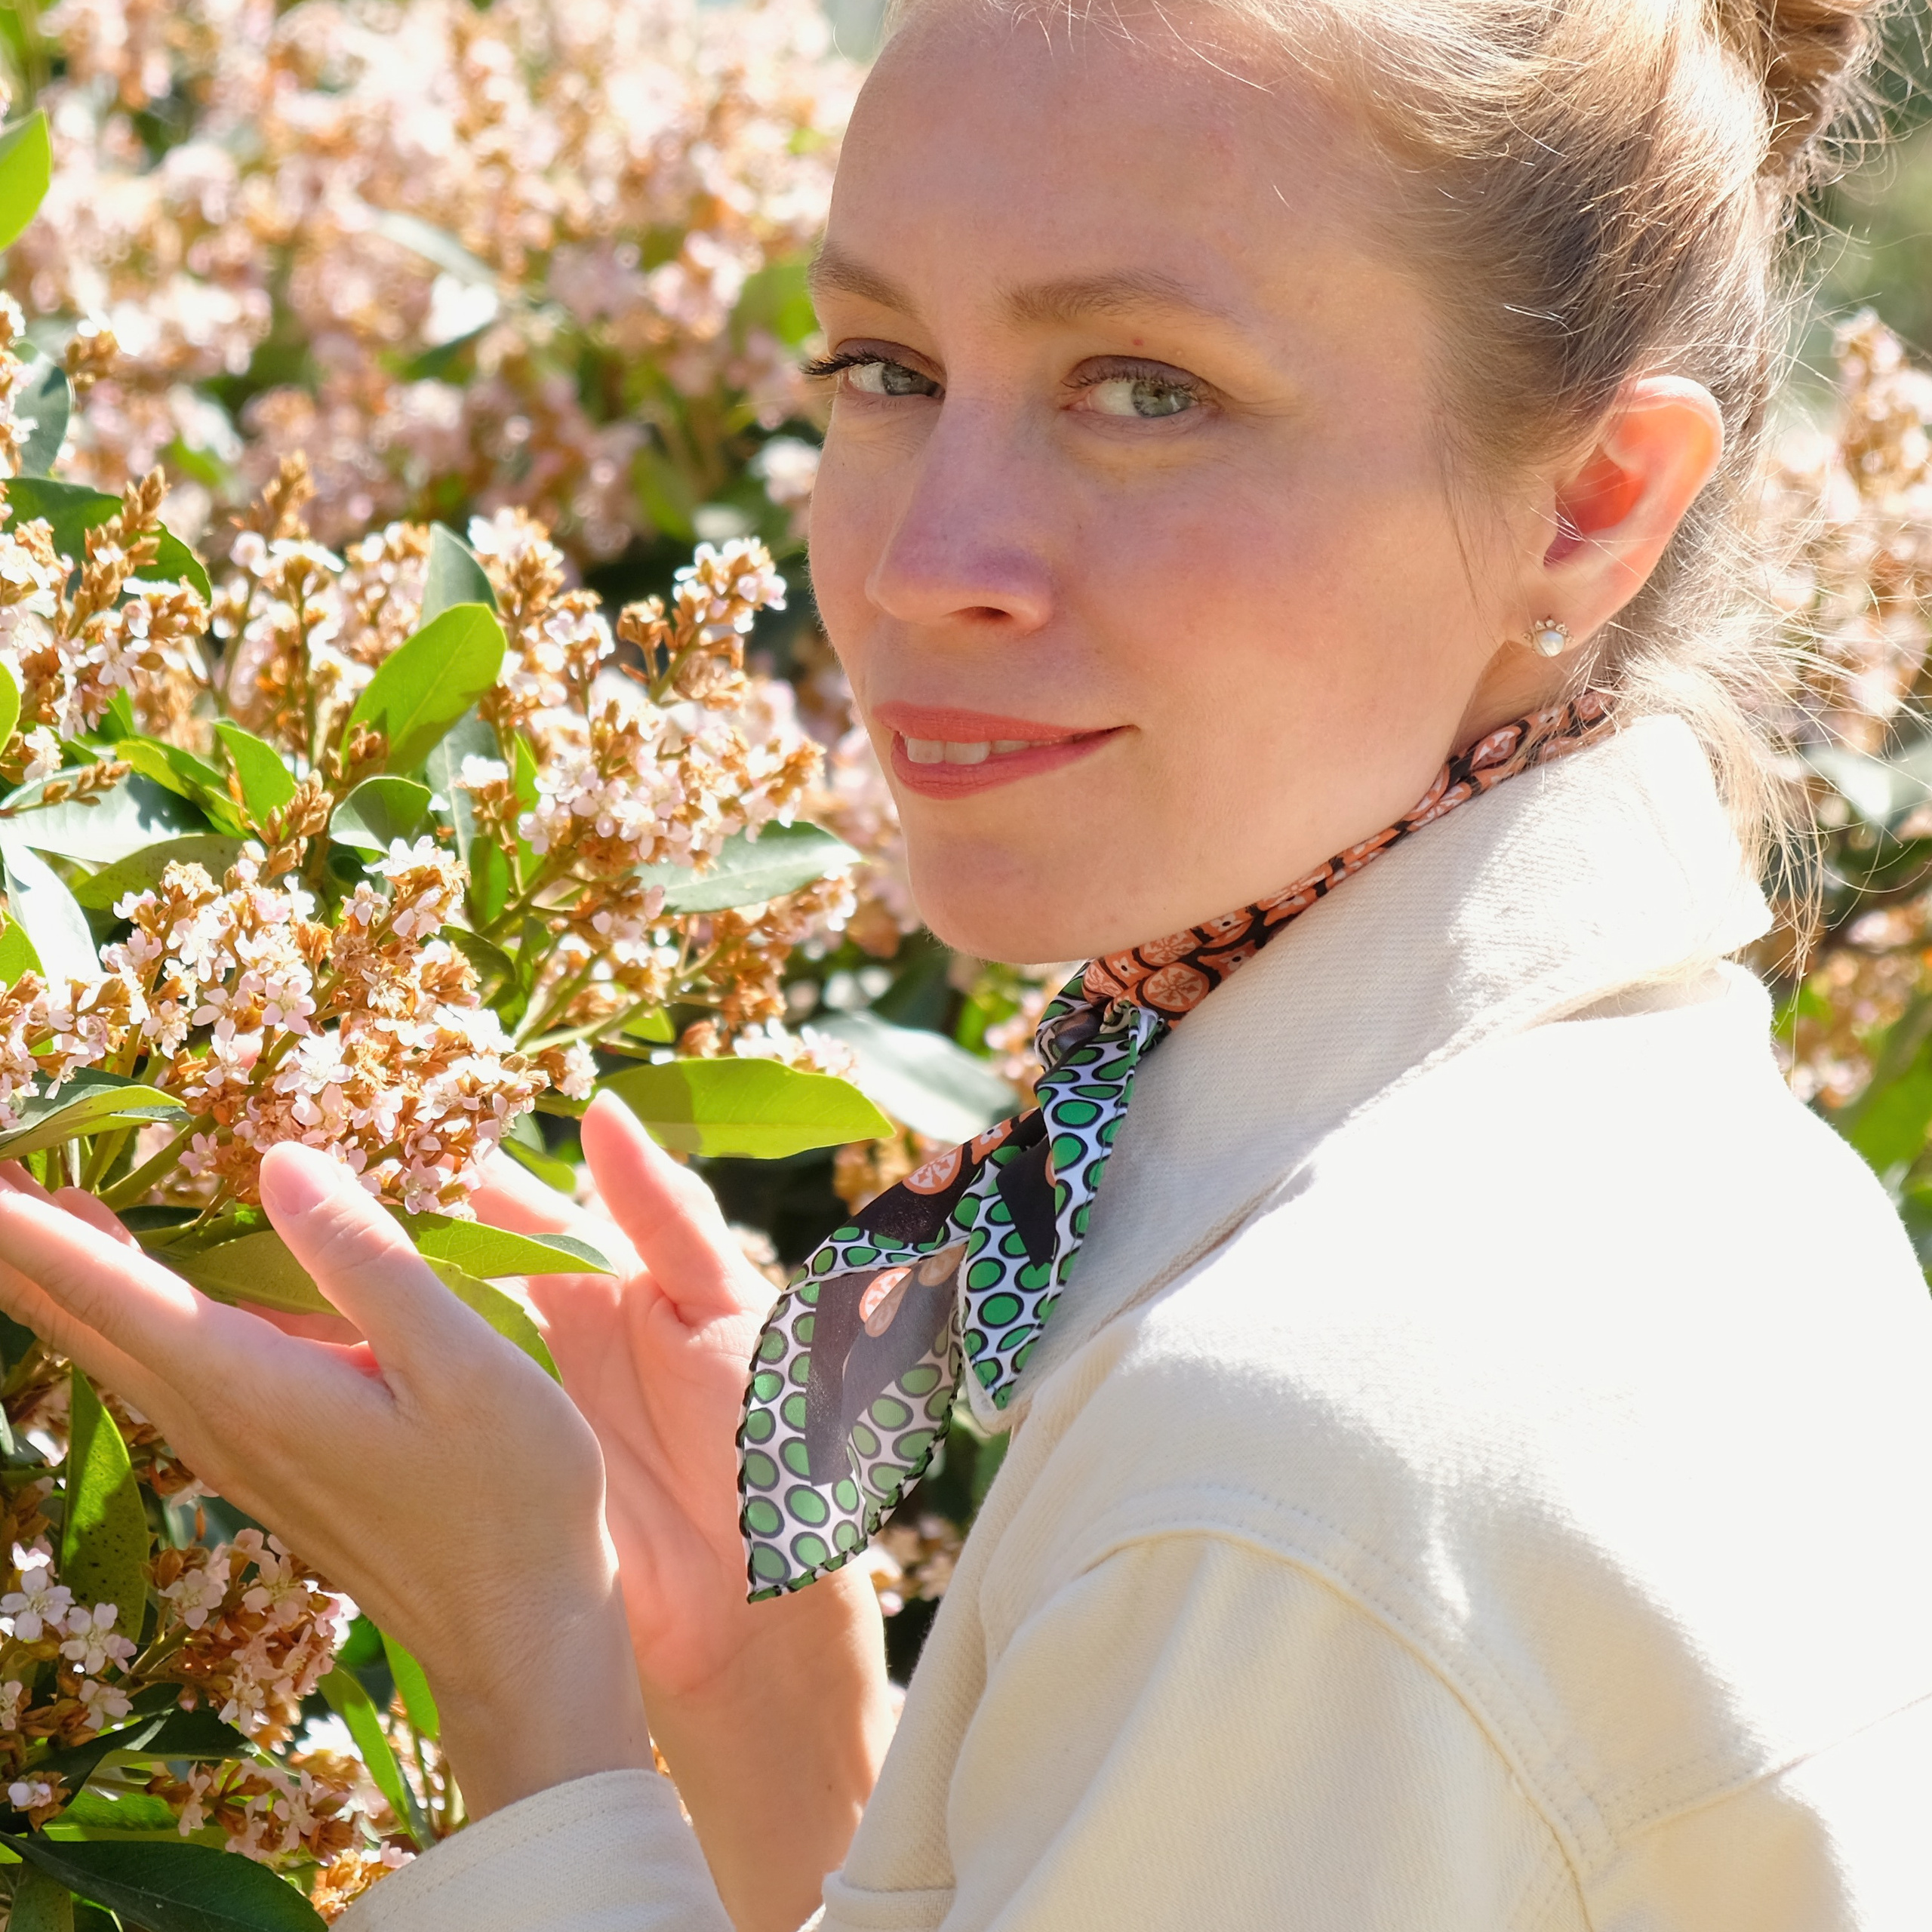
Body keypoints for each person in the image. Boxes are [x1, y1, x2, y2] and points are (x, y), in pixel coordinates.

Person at [2, 0, 1930, 1924]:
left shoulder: (1292, 1467)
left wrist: (524, 1676)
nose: (925, 555)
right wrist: (790, 1746)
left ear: (1589, 503)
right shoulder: (1706, 1187)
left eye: (1143, 385)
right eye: (885, 363)